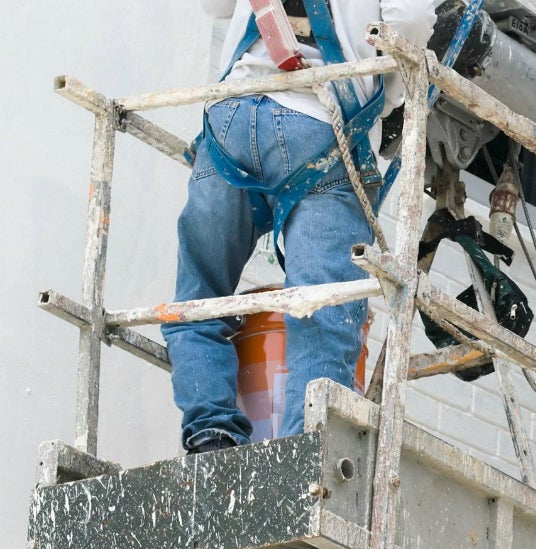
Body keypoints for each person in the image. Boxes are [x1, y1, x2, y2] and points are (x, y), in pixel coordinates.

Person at [163, 0, 439, 454]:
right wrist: (385, 92)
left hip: (232, 114)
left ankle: (210, 430)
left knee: (199, 295)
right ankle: (299, 457)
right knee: (321, 310)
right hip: (321, 118)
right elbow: (409, 21)